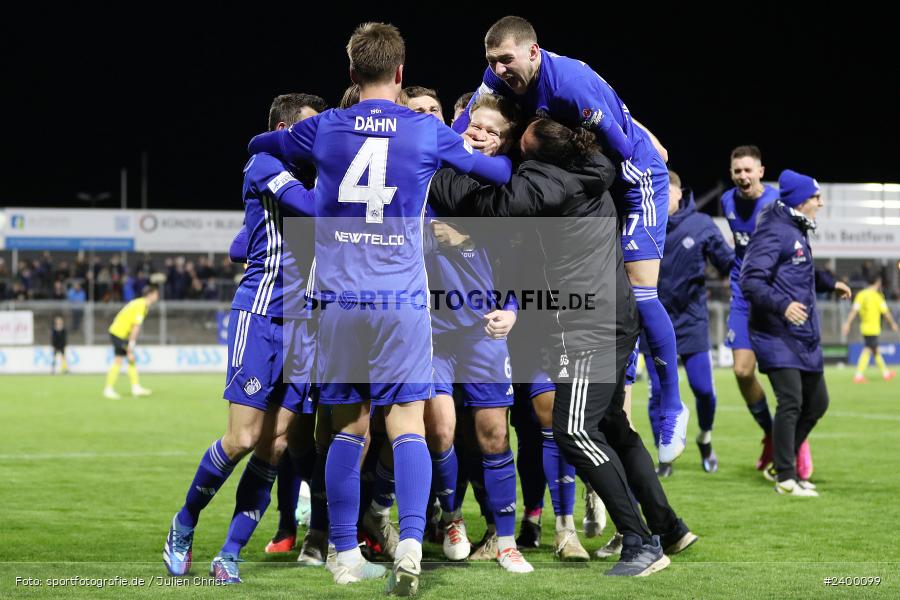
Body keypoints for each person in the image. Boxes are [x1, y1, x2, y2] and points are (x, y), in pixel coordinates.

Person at [246, 22, 512, 595]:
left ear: (350, 74)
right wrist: (472, 146)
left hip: (340, 303)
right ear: (399, 73)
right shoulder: (423, 130)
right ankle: (412, 547)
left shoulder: (321, 128)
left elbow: (262, 148)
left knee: (348, 431)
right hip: (402, 301)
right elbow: (497, 172)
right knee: (408, 426)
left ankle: (343, 555)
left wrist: (291, 180)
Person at [429, 117, 695, 576]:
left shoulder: (545, 185)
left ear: (532, 157)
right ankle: (668, 526)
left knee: (574, 432)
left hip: (589, 326)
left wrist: (436, 158)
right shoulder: (592, 164)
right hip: (610, 317)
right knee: (614, 427)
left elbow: (478, 203)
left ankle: (640, 543)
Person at [453, 16, 689, 464]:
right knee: (611, 300)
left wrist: (641, 142)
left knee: (639, 291)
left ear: (533, 52)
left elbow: (618, 150)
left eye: (507, 60)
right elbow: (465, 121)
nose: (500, 70)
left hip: (634, 179)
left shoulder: (568, 87)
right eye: (493, 62)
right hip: (589, 187)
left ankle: (674, 405)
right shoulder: (498, 79)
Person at [162, 93, 324, 584]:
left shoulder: (315, 174)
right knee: (242, 438)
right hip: (261, 317)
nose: (320, 141)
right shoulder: (264, 160)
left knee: (274, 446)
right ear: (282, 128)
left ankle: (229, 554)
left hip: (307, 326)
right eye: (310, 130)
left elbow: (243, 243)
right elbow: (312, 209)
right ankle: (183, 523)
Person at [740, 170, 851, 496]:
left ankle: (781, 459)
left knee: (817, 403)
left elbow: (800, 269)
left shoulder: (794, 229)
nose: (821, 202)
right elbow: (751, 280)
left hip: (800, 335)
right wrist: (783, 304)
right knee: (791, 402)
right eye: (817, 197)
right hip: (776, 333)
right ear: (802, 201)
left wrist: (830, 283)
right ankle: (787, 478)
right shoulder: (775, 230)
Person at [644, 171, 734, 475]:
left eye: (666, 191)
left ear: (679, 192)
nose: (661, 197)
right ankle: (664, 455)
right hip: (654, 324)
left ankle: (705, 438)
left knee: (703, 390)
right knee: (658, 394)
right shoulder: (644, 223)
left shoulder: (702, 225)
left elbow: (728, 265)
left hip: (691, 322)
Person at [103, 285, 159, 399]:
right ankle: (109, 389)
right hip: (119, 333)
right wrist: (131, 344)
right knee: (125, 358)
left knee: (129, 359)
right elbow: (136, 326)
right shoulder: (141, 305)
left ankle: (135, 387)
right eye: (156, 294)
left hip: (119, 332)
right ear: (150, 294)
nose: (157, 297)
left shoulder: (139, 303)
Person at [842, 275, 898, 382]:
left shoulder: (861, 295)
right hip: (873, 328)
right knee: (868, 349)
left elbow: (854, 310)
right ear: (877, 283)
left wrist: (847, 323)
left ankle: (886, 373)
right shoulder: (877, 296)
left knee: (875, 350)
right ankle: (858, 375)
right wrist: (893, 324)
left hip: (864, 327)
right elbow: (886, 313)